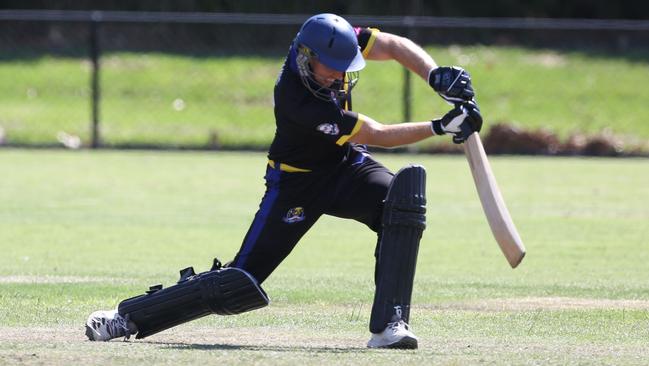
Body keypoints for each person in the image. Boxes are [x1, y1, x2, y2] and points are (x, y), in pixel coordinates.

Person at [85, 13, 482, 349]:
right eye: (333, 68)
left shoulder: (330, 45)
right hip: (296, 185)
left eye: (346, 66)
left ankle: (389, 325)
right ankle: (127, 318)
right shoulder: (298, 100)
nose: (340, 75)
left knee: (401, 202)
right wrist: (440, 126)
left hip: (345, 168)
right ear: (307, 59)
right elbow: (376, 134)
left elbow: (392, 46)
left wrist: (437, 76)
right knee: (240, 281)